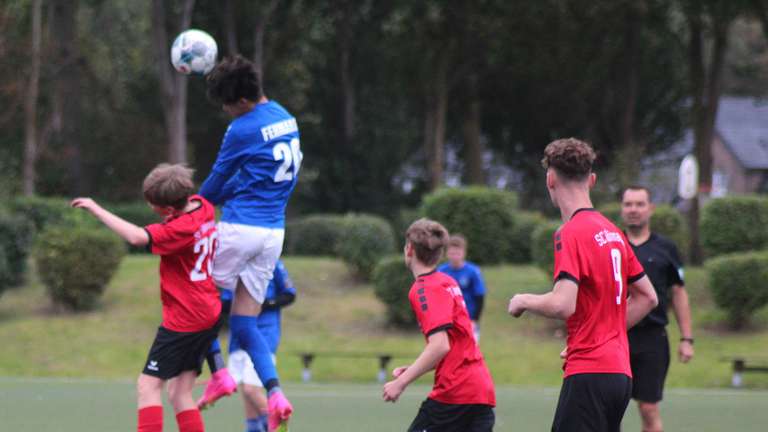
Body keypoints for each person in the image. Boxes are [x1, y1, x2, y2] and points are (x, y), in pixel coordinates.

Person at [507, 138, 658, 432]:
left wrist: (523, 300)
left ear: (550, 179)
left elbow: (563, 303)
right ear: (591, 179)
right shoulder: (614, 233)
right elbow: (648, 298)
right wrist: (602, 331)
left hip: (589, 372)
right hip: (619, 375)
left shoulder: (570, 233)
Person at [72, 164, 221, 432]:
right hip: (208, 311)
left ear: (169, 210)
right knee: (180, 393)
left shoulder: (179, 229)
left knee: (148, 386)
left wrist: (95, 208)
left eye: (153, 205)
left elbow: (136, 236)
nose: (151, 209)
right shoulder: (203, 206)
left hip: (185, 318)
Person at [197, 54, 301, 430]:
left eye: (226, 104)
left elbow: (213, 184)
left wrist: (187, 210)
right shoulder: (285, 117)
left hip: (241, 229)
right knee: (244, 324)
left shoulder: (241, 128)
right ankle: (275, 395)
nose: (226, 111)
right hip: (273, 234)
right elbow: (253, 179)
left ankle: (219, 374)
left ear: (240, 102)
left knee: (197, 297)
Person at [383, 218, 496, 432]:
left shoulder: (423, 289)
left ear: (409, 250)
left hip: (456, 394)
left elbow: (440, 345)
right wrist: (417, 367)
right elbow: (455, 346)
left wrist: (401, 382)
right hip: (481, 391)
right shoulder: (447, 281)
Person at [621, 186, 694, 432]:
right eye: (628, 204)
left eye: (639, 204)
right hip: (617, 336)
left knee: (648, 408)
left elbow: (678, 293)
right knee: (609, 405)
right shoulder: (612, 245)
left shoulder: (666, 248)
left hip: (652, 338)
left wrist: (687, 338)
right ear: (622, 208)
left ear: (650, 209)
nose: (633, 210)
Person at [226, 260, 296, 432]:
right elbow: (225, 301)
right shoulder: (233, 261)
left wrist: (261, 304)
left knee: (251, 390)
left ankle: (279, 425)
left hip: (264, 334)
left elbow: (289, 294)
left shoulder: (272, 262)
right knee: (246, 394)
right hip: (237, 337)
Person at [438, 234, 487, 342]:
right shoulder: (441, 271)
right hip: (448, 321)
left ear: (464, 253)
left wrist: (474, 319)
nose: (454, 256)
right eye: (452, 253)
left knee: (470, 353)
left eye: (457, 253)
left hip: (468, 319)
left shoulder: (473, 271)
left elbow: (480, 297)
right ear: (447, 253)